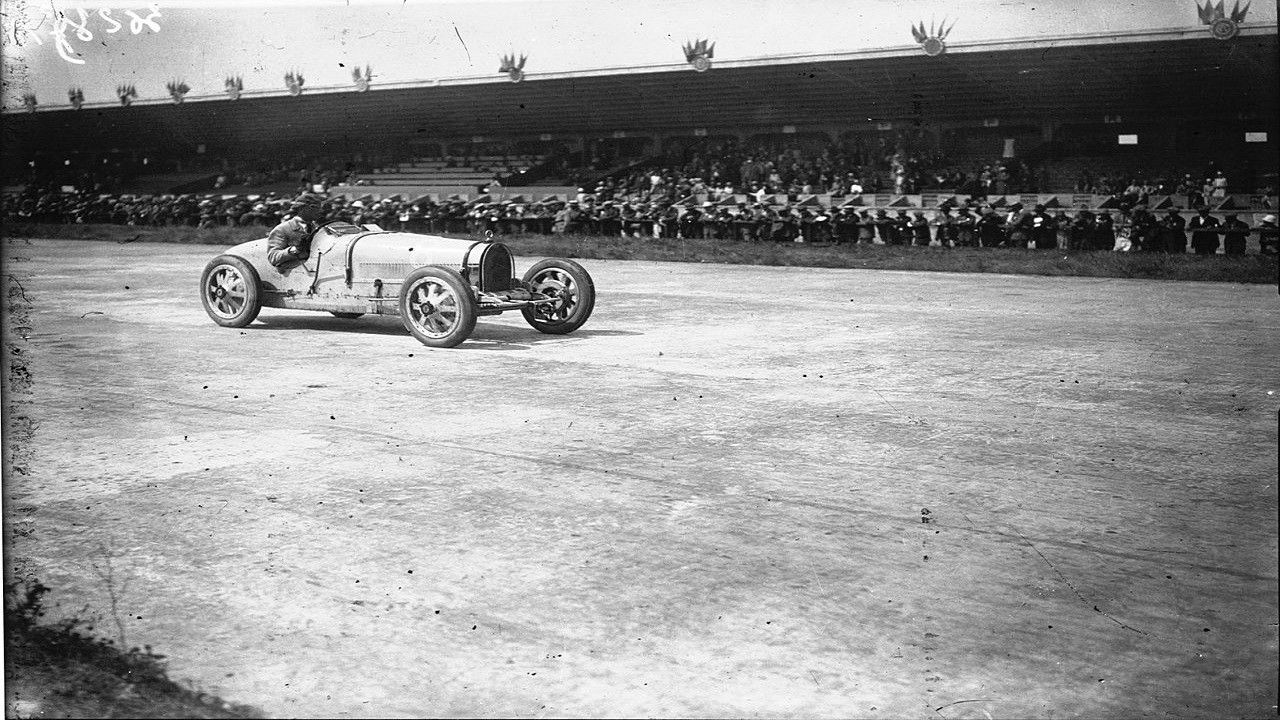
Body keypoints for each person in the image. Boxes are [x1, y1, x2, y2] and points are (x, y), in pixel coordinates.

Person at [267, 193, 324, 267]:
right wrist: (295, 249)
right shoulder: (282, 229)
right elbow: (273, 257)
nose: (320, 211)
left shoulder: (318, 228)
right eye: (314, 207)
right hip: (296, 273)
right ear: (301, 208)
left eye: (320, 207)